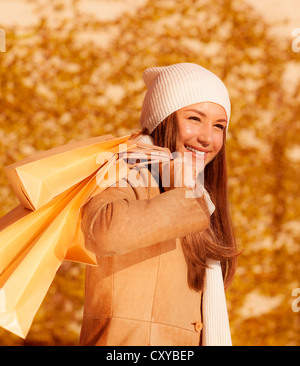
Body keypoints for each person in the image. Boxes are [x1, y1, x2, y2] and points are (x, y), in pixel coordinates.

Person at [79, 63, 238, 346]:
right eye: (194, 118)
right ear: (162, 119)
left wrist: (187, 188)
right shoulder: (127, 169)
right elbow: (101, 230)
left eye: (218, 126)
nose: (207, 137)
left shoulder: (196, 191)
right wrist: (187, 196)